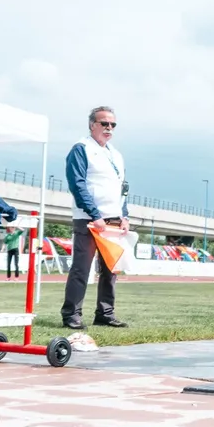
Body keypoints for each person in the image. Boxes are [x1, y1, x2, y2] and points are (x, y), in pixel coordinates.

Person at [60, 106, 130, 329]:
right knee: (82, 268)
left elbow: (122, 187)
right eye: (104, 123)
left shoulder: (115, 154)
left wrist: (124, 215)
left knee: (111, 269)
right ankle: (71, 314)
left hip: (113, 219)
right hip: (89, 219)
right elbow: (77, 184)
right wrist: (94, 214)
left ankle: (105, 313)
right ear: (92, 125)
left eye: (113, 124)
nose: (109, 128)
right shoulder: (81, 149)